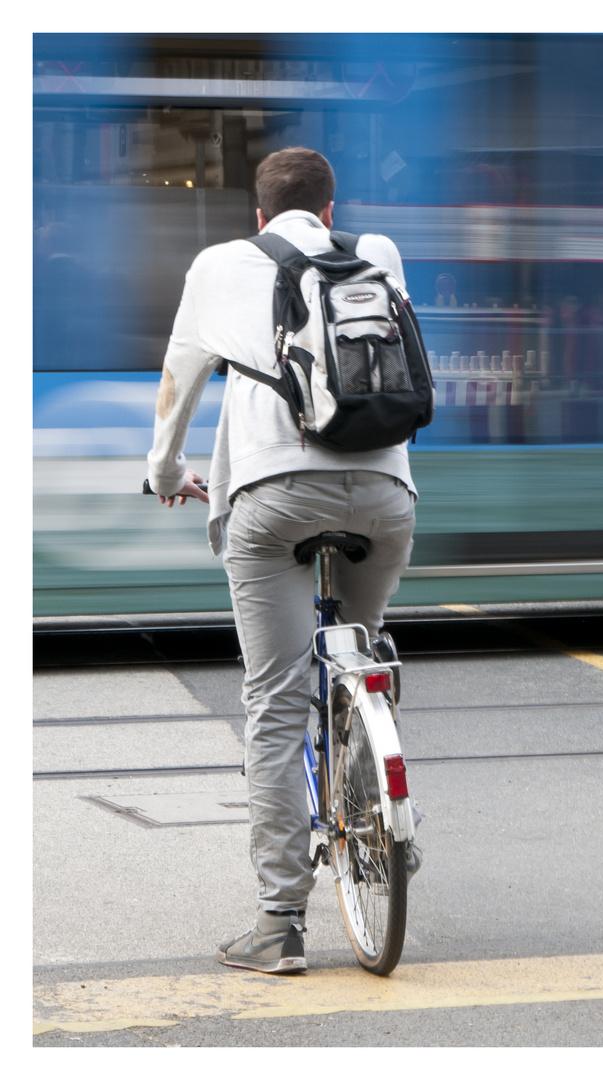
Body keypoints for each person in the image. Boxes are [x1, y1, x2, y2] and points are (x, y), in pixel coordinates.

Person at [147, 147, 419, 975]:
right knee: (357, 652)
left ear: (257, 217)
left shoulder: (221, 264)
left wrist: (165, 471)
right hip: (386, 496)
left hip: (273, 502)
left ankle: (278, 923)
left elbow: (179, 379)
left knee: (275, 700)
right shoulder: (376, 255)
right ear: (331, 212)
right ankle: (371, 754)